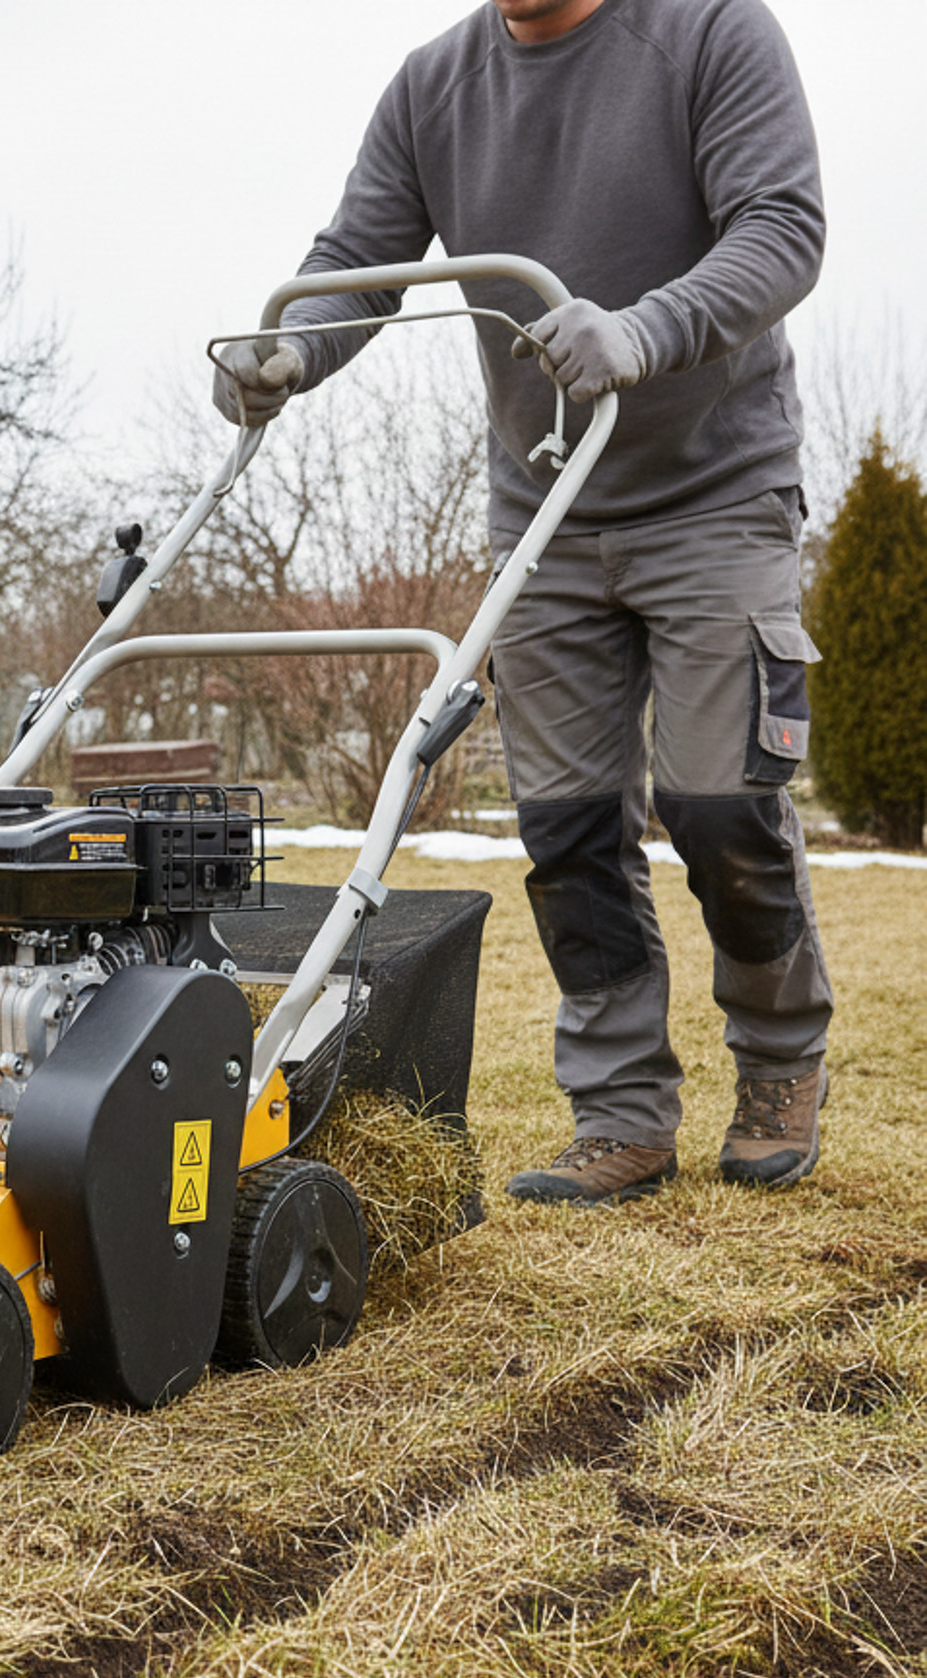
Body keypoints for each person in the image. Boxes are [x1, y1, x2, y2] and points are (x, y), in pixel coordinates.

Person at [215, 0, 833, 1204]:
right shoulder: (433, 84)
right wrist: (289, 344)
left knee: (719, 803)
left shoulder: (710, 32)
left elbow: (784, 230)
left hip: (715, 490)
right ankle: (619, 1112)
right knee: (565, 823)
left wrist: (645, 330)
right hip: (547, 510)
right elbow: (360, 262)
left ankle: (774, 1060)